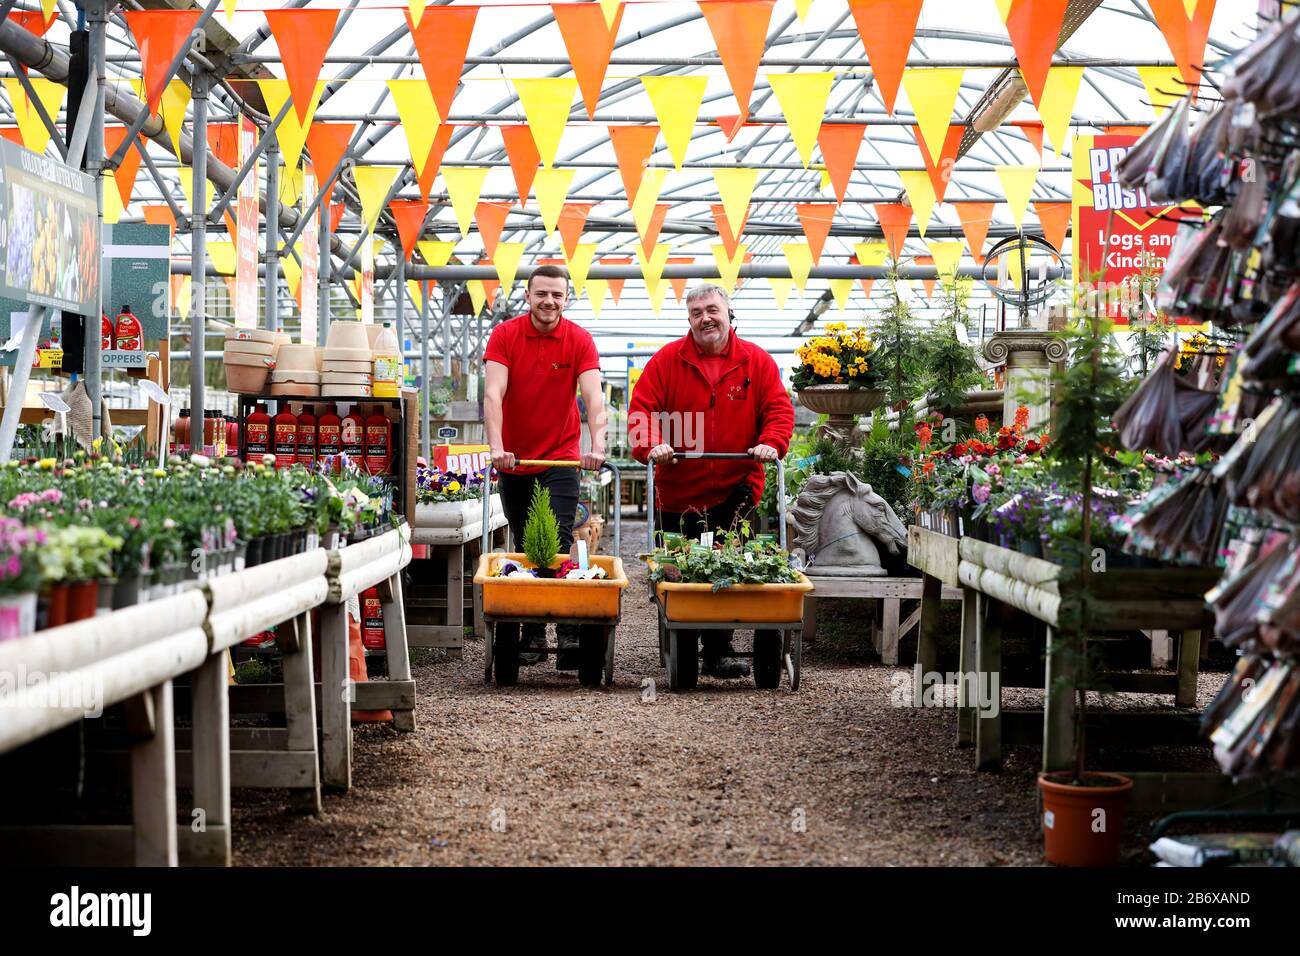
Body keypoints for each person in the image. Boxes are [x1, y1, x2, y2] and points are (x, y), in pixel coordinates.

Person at [629, 283, 795, 678]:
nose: (705, 318)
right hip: (678, 492)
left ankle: (718, 651)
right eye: (696, 312)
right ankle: (681, 643)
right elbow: (641, 412)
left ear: (729, 313)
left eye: (712, 310)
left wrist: (771, 443)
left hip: (737, 488)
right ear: (689, 320)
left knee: (728, 567)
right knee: (682, 571)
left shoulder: (756, 363)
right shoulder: (667, 361)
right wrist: (652, 445)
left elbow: (778, 411)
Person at [484, 264, 607, 668]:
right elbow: (493, 393)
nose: (549, 301)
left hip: (559, 457)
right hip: (515, 460)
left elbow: (593, 396)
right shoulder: (505, 335)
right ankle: (533, 632)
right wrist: (497, 447)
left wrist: (597, 445)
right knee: (523, 543)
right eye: (542, 294)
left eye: (557, 294)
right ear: (528, 296)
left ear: (566, 298)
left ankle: (569, 632)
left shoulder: (579, 340)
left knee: (552, 539)